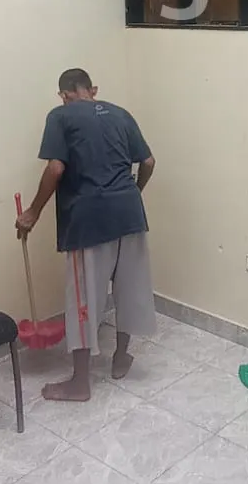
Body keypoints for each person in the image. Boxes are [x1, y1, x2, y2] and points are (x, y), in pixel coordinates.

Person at [16, 67, 156, 402]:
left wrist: (32, 212)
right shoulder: (121, 114)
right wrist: (133, 193)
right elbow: (149, 161)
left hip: (89, 219)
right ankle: (120, 358)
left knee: (83, 299)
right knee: (128, 289)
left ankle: (80, 383)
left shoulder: (60, 115)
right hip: (130, 213)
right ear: (92, 90)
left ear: (64, 95)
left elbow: (56, 168)